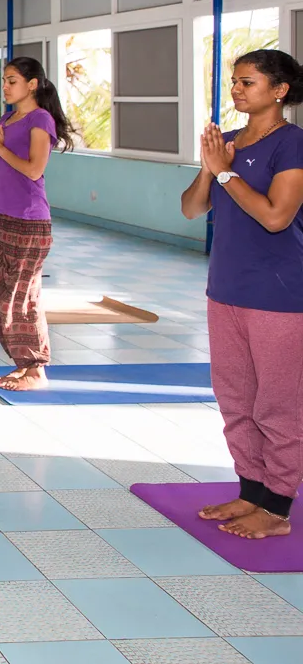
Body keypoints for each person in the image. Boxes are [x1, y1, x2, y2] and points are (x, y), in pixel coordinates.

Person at [181, 49, 303, 540]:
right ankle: (251, 490)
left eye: (247, 82)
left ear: (279, 91)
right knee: (236, 398)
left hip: (279, 294)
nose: (236, 90)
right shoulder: (226, 143)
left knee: (279, 403)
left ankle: (278, 505)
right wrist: (212, 167)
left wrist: (226, 172)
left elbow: (277, 215)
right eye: (234, 81)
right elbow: (191, 209)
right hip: (225, 289)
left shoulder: (292, 144)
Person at [0, 56, 75, 392]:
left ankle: (35, 369)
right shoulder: (6, 118)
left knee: (22, 297)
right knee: (1, 295)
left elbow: (33, 169)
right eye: (4, 80)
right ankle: (22, 363)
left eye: (12, 80)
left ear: (32, 84)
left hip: (27, 219)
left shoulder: (40, 119)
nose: (5, 86)